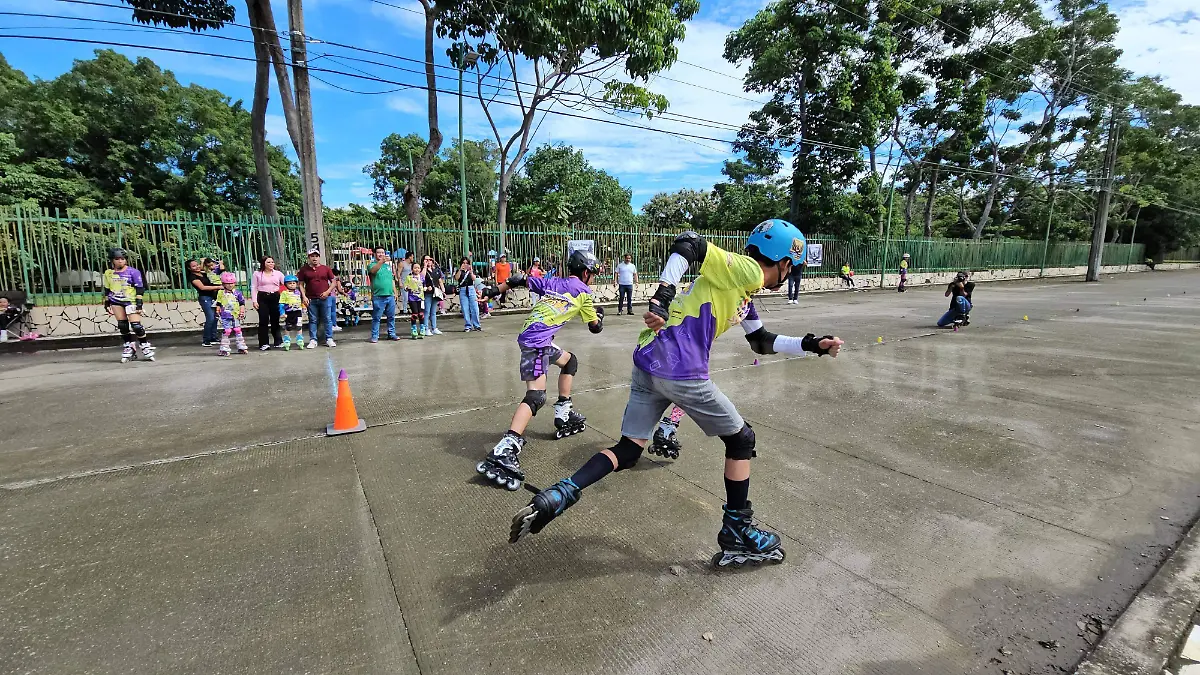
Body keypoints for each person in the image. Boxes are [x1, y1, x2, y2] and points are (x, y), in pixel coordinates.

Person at [509, 220, 844, 569]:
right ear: (783, 261)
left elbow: (762, 341)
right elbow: (690, 244)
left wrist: (812, 344)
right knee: (742, 440)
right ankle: (737, 531)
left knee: (628, 448)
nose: (787, 277)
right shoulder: (750, 271)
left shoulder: (742, 293)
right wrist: (663, 296)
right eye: (790, 270)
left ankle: (559, 494)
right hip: (679, 368)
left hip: (649, 362)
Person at [476, 250, 605, 491]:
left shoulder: (552, 281)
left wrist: (493, 291)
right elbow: (595, 328)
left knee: (569, 361)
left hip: (539, 337)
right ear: (586, 273)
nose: (594, 279)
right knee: (536, 395)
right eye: (594, 275)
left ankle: (564, 413)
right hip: (537, 341)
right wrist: (599, 316)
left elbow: (518, 280)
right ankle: (506, 448)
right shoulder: (585, 293)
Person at [103, 247, 156, 363]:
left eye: (122, 259)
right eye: (117, 259)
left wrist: (139, 303)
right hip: (116, 300)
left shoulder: (133, 272)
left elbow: (140, 288)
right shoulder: (108, 273)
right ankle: (129, 346)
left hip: (131, 301)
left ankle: (144, 345)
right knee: (122, 325)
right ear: (112, 260)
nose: (120, 261)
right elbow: (107, 289)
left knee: (136, 326)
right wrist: (106, 302)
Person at [297, 249, 337, 348]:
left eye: (316, 256)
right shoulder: (304, 270)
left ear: (319, 257)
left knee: (327, 319)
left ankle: (329, 338)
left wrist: (328, 292)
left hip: (325, 298)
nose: (314, 258)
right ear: (309, 258)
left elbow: (333, 282)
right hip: (311, 298)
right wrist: (304, 296)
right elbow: (301, 284)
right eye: (312, 256)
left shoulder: (326, 268)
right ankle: (313, 340)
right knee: (313, 320)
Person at [251, 255, 285, 350]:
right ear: (263, 263)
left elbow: (285, 284)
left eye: (272, 262)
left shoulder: (278, 273)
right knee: (263, 320)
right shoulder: (257, 274)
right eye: (268, 262)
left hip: (275, 297)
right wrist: (254, 301)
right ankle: (263, 343)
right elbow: (253, 287)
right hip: (262, 297)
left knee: (275, 320)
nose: (271, 264)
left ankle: (278, 341)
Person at [367, 247, 400, 342]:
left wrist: (395, 291)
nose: (381, 254)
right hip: (378, 296)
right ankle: (374, 336)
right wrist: (381, 261)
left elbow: (391, 279)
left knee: (391, 317)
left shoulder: (388, 266)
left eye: (382, 252)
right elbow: (373, 271)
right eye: (378, 253)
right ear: (374, 254)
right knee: (377, 317)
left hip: (389, 295)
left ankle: (391, 333)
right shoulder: (372, 265)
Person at [186, 259, 222, 346]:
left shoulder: (203, 273)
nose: (197, 267)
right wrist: (218, 287)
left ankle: (213, 337)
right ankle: (206, 340)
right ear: (189, 268)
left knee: (215, 317)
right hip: (205, 298)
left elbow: (204, 267)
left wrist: (202, 262)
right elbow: (202, 288)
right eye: (193, 266)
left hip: (213, 297)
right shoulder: (193, 277)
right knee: (210, 318)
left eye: (197, 264)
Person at [214, 272, 248, 356]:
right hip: (225, 315)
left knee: (237, 330)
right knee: (227, 331)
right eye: (227, 283)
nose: (230, 285)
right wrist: (217, 311)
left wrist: (242, 312)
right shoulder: (220, 293)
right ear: (223, 284)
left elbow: (242, 303)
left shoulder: (237, 293)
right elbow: (218, 303)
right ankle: (224, 348)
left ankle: (241, 346)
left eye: (232, 283)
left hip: (236, 314)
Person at [456, 256, 482, 332]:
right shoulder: (459, 271)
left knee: (475, 308)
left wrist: (470, 271)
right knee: (465, 308)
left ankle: (477, 325)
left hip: (471, 289)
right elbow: (456, 278)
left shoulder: (470, 271)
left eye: (466, 263)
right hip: (463, 290)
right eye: (463, 263)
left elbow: (474, 279)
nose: (465, 264)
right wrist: (460, 270)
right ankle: (468, 325)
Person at [279, 275, 305, 351]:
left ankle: (300, 338)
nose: (292, 284)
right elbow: (281, 303)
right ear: (286, 284)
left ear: (296, 284)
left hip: (297, 312)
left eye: (294, 283)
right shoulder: (284, 293)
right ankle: (287, 339)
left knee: (299, 325)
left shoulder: (298, 292)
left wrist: (303, 307)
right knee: (288, 326)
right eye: (290, 283)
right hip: (288, 312)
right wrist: (282, 312)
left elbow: (301, 300)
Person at [421, 255, 445, 335]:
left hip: (435, 292)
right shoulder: (422, 269)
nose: (428, 261)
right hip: (427, 293)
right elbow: (422, 277)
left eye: (430, 259)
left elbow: (439, 280)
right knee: (427, 311)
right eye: (426, 259)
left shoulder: (435, 270)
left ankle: (434, 327)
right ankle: (426, 328)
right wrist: (424, 266)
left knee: (433, 311)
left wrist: (443, 289)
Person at [403, 261, 425, 339]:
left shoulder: (422, 277)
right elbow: (405, 286)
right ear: (412, 269)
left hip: (421, 298)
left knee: (421, 314)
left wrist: (427, 288)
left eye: (418, 268)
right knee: (415, 314)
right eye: (415, 268)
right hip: (412, 298)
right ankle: (414, 329)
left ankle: (422, 328)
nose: (417, 269)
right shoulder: (409, 277)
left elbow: (424, 286)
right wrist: (407, 288)